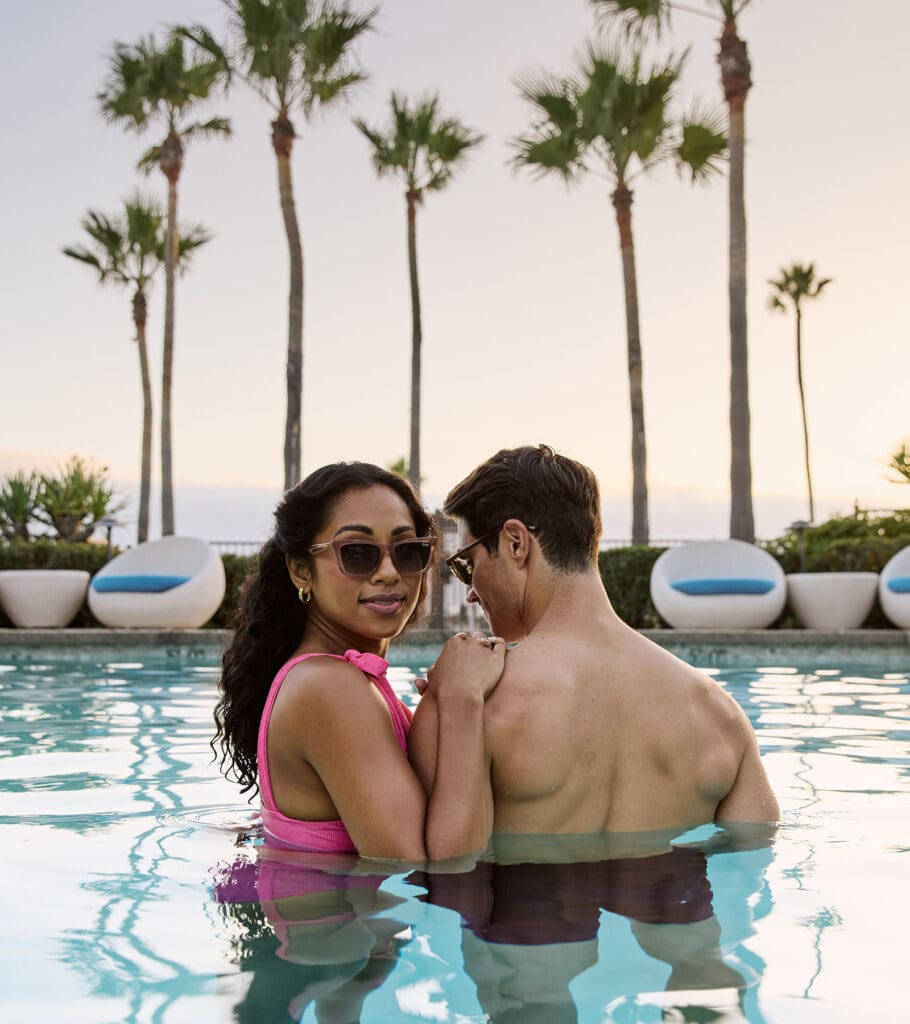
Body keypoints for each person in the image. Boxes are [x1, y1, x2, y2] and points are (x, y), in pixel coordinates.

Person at [409, 445, 779, 859]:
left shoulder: (464, 704)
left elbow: (436, 871)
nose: (472, 592)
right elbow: (755, 856)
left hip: (525, 922)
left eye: (465, 565)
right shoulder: (720, 714)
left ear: (515, 543)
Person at [214, 461, 504, 860]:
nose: (388, 572)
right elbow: (427, 871)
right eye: (357, 553)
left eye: (407, 552)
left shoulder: (342, 678)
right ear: (301, 570)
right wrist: (461, 698)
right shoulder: (329, 686)